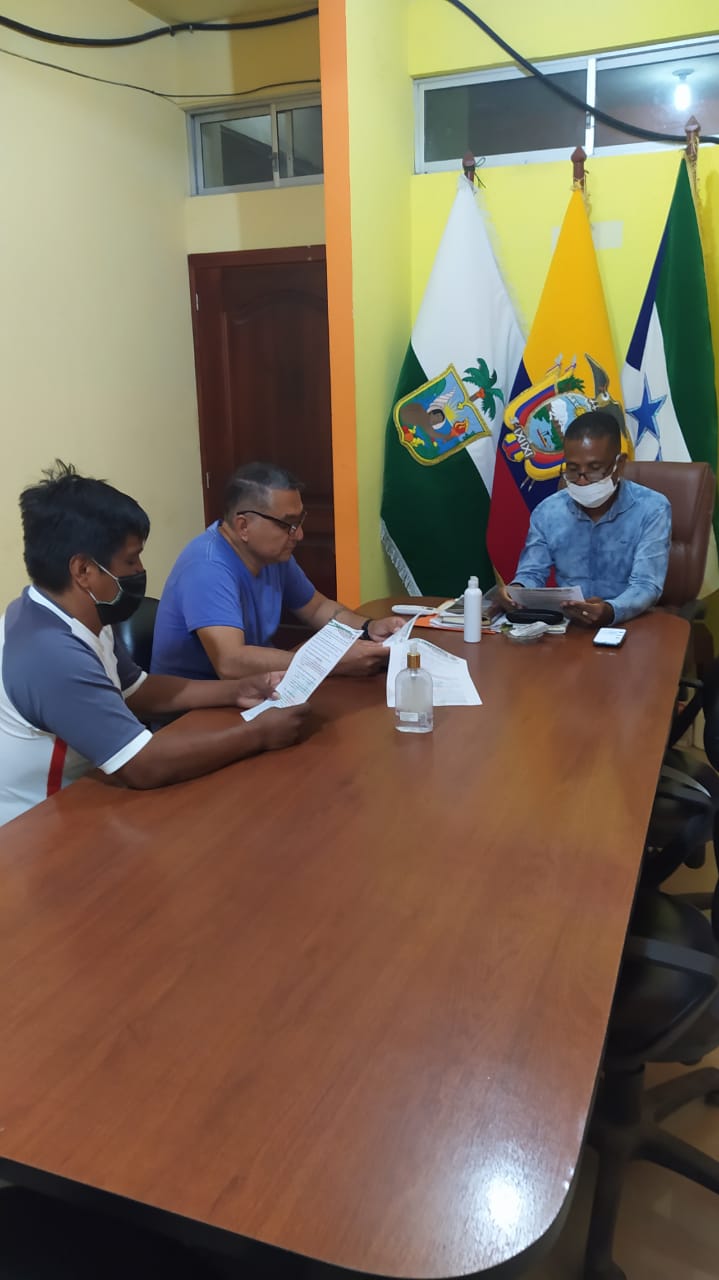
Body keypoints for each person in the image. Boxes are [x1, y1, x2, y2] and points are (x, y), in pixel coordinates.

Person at [0, 463, 313, 827]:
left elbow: (138, 690)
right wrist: (259, 733)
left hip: (87, 797)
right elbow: (143, 765)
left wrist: (237, 690)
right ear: (83, 570)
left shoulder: (66, 612)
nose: (139, 570)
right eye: (130, 560)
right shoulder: (51, 654)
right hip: (37, 831)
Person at [151, 461, 404, 681]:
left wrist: (369, 628)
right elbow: (230, 662)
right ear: (243, 526)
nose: (299, 535)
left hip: (253, 689)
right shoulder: (207, 567)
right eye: (288, 524)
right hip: (196, 710)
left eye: (300, 521)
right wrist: (329, 663)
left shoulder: (273, 556)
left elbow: (317, 608)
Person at [496, 410, 672, 626]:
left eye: (594, 469)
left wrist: (610, 610)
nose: (581, 481)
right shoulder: (548, 511)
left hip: (629, 624)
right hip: (569, 626)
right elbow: (532, 572)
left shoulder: (652, 508)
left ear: (619, 465)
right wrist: (517, 591)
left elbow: (646, 585)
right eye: (572, 470)